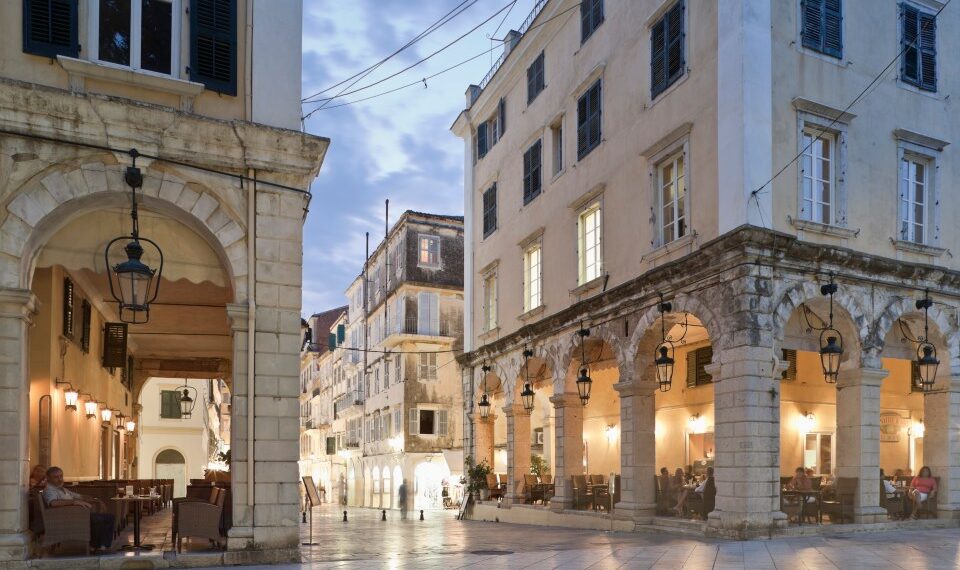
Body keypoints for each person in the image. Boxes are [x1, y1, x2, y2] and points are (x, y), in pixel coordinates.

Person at [42, 467, 115, 551]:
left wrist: (97, 500)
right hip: (65, 518)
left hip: (76, 515)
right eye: (56, 477)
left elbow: (80, 496)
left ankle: (103, 545)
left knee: (109, 517)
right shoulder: (49, 490)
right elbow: (53, 503)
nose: (59, 479)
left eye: (61, 476)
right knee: (97, 519)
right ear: (48, 478)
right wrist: (74, 502)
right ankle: (94, 545)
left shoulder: (62, 489)